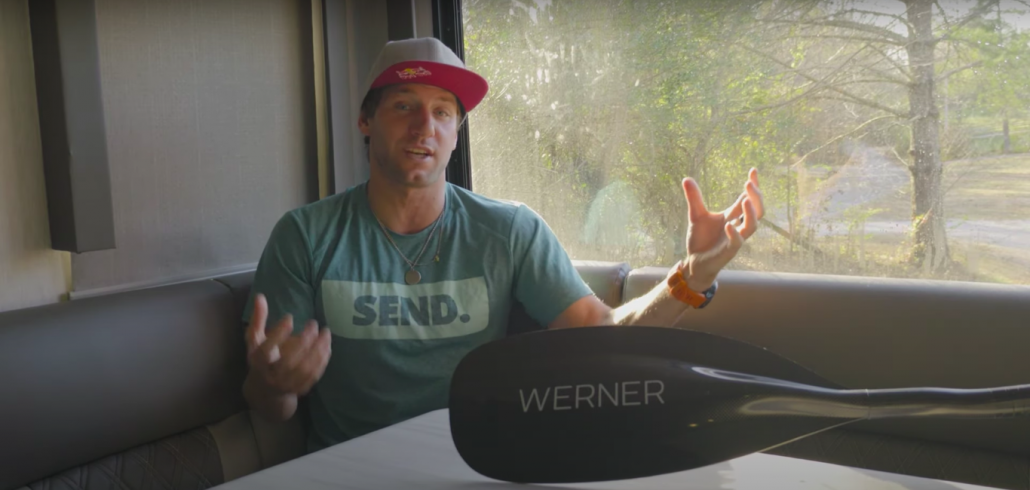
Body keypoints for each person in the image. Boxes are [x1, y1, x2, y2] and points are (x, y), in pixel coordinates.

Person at [241, 37, 765, 453]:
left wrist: (692, 275)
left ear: (456, 132)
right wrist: (278, 384)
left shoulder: (509, 229)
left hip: (478, 463)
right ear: (365, 121)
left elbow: (603, 337)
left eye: (442, 112)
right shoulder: (305, 235)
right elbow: (271, 406)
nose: (424, 127)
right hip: (351, 469)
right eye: (403, 106)